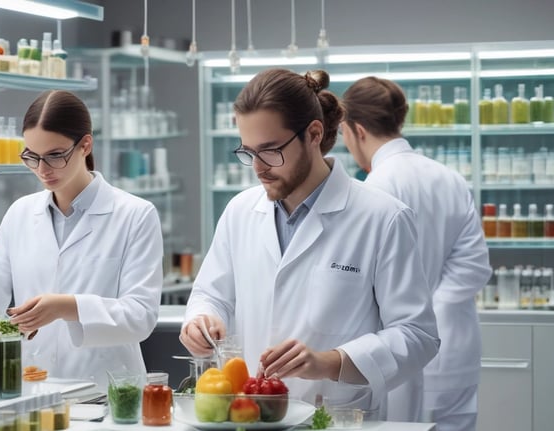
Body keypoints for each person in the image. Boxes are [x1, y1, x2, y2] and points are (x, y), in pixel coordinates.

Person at [179, 68, 439, 416]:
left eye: (270, 150)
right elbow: (212, 294)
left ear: (314, 134)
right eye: (248, 152)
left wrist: (330, 362)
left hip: (335, 416)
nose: (257, 168)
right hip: (250, 413)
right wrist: (201, 319)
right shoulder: (240, 211)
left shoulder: (382, 217)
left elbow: (417, 335)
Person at [0, 90, 164, 389]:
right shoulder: (20, 213)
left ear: (85, 145)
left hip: (109, 391)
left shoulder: (135, 214)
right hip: (35, 386)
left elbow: (140, 315)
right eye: (31, 157)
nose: (42, 169)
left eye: (55, 155)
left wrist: (67, 306)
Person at [341, 76, 491, 431]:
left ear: (357, 130)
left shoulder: (374, 186)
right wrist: (435, 310)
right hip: (456, 344)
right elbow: (474, 266)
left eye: (343, 135)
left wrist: (415, 318)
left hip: (400, 353)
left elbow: (361, 281)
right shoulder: (448, 177)